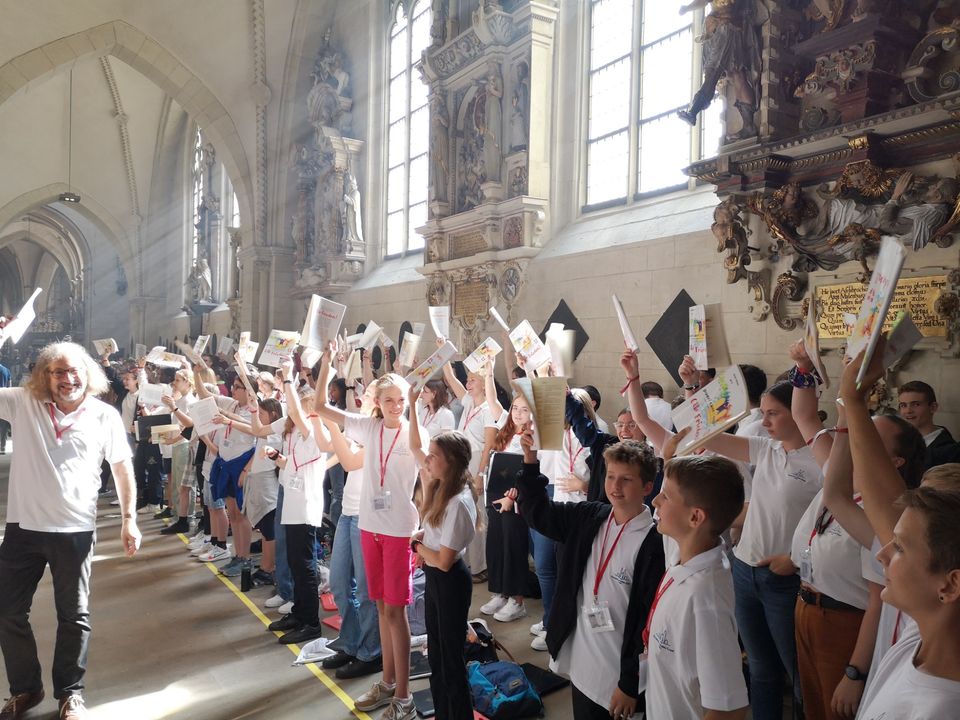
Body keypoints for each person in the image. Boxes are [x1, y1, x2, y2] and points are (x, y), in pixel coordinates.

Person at [627, 350, 822, 720]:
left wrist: (796, 559)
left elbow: (831, 517)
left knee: (798, 673)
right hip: (745, 569)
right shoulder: (767, 449)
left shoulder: (818, 460)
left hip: (784, 576)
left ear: (797, 414)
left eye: (773, 413)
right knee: (760, 669)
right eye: (761, 413)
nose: (763, 421)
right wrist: (694, 386)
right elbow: (705, 434)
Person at [0, 342, 141, 720]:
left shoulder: (103, 415)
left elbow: (122, 467)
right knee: (7, 611)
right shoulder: (21, 402)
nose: (68, 378)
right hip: (23, 527)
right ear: (44, 376)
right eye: (58, 371)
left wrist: (129, 518)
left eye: (74, 370)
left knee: (73, 615)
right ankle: (26, 689)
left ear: (88, 373)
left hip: (74, 530)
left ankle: (70, 694)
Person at [834, 344, 960, 719]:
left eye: (900, 549)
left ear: (950, 586)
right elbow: (881, 496)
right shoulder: (924, 633)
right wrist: (853, 402)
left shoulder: (938, 709)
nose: (883, 552)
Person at [513, 431, 665, 720]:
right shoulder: (590, 516)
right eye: (610, 477)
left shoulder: (655, 544)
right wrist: (530, 462)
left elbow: (650, 623)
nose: (615, 487)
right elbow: (537, 512)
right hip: (583, 666)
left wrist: (631, 684)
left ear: (647, 486)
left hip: (619, 676)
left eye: (626, 480)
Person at [315, 348, 425, 720]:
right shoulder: (368, 427)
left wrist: (426, 527)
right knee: (379, 606)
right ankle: (388, 682)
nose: (396, 406)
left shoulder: (414, 434)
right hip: (369, 528)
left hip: (397, 532)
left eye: (401, 400)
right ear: (376, 403)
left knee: (397, 611)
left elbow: (428, 477)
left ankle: (405, 698)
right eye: (389, 400)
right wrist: (327, 363)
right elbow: (321, 406)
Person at [645, 429, 749, 720]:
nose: (655, 502)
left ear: (695, 517)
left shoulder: (706, 599)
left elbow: (728, 709)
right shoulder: (684, 552)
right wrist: (669, 458)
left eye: (664, 497)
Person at [409, 428, 479, 720]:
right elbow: (434, 531)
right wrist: (423, 536)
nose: (427, 459)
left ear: (450, 461)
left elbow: (445, 560)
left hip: (450, 581)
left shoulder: (458, 502)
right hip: (437, 578)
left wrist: (416, 546)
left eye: (434, 455)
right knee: (436, 656)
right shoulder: (442, 489)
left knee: (451, 662)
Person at [897, 380, 960, 468]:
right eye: (903, 405)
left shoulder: (950, 452)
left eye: (916, 404)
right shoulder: (897, 441)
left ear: (933, 407)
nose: (908, 411)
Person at [0, 360, 9, 454]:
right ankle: (2, 447)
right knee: (3, 425)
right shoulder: (6, 370)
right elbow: (9, 386)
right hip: (4, 398)